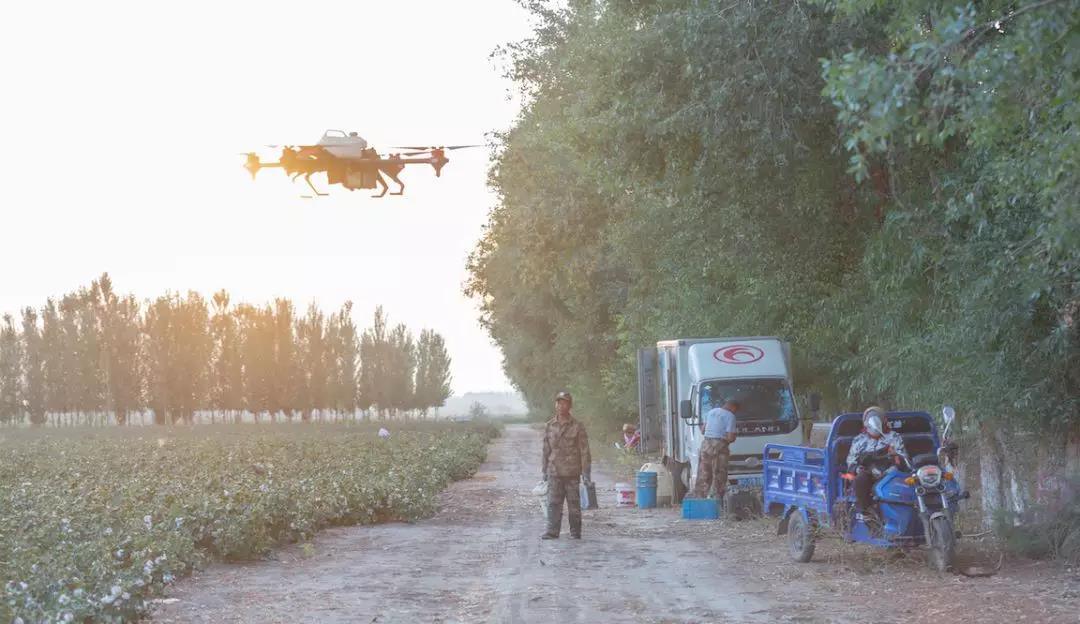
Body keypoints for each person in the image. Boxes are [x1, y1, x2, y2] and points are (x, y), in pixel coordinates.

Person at [541, 390, 591, 540]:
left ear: (570, 406)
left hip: (572, 472)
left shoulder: (577, 426)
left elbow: (584, 451)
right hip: (554, 471)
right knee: (553, 504)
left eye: (565, 403)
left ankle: (575, 532)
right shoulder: (549, 425)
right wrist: (544, 470)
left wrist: (586, 473)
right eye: (559, 403)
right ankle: (552, 532)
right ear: (555, 405)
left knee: (574, 506)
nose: (561, 406)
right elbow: (545, 450)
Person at [845, 406, 911, 521]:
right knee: (860, 479)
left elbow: (903, 459)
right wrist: (858, 469)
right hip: (869, 473)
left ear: (884, 421)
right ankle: (867, 513)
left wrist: (895, 458)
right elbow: (851, 461)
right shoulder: (859, 440)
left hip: (891, 473)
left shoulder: (894, 437)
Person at [692, 398, 739, 499]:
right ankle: (718, 500)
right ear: (733, 407)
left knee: (704, 473)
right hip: (720, 446)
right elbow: (730, 438)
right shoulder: (730, 416)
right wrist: (732, 436)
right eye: (736, 410)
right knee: (719, 474)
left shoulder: (711, 412)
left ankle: (700, 499)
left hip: (706, 444)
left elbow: (703, 430)